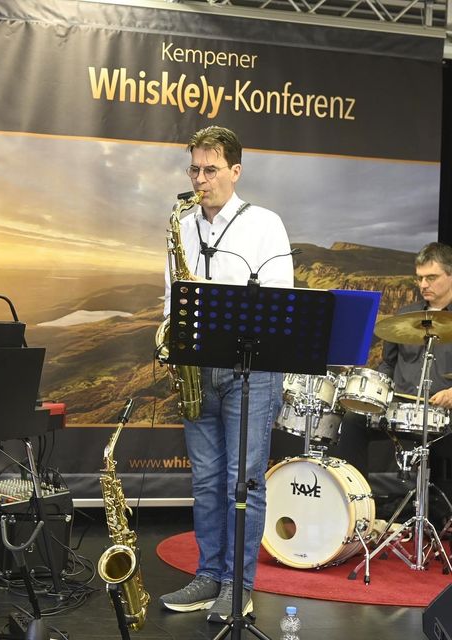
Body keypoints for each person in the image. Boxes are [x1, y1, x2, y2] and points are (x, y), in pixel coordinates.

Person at [159, 126, 294, 622]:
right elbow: (172, 297)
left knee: (245, 483)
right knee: (206, 481)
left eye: (210, 170)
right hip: (198, 370)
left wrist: (218, 302)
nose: (200, 179)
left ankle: (239, 587)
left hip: (250, 373)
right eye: (194, 169)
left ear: (235, 171)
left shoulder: (265, 224)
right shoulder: (182, 224)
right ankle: (208, 576)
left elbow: (279, 299)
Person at [335, 242, 452, 477]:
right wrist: (375, 392)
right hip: (400, 406)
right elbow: (388, 363)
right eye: (420, 278)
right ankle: (356, 491)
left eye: (431, 277)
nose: (423, 284)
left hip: (444, 412)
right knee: (353, 419)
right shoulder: (405, 316)